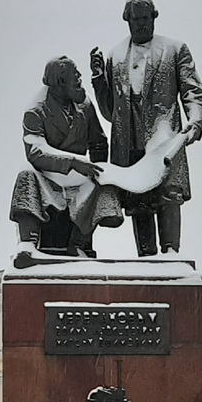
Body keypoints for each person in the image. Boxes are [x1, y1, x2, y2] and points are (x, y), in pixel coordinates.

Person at [91, 0, 202, 256]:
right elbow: (111, 113)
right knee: (137, 200)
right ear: (127, 20)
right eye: (137, 19)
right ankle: (147, 258)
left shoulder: (175, 49)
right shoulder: (115, 56)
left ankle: (171, 252)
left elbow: (192, 90)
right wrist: (98, 79)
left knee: (168, 195)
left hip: (164, 137)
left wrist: (195, 120)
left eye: (147, 18)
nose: (142, 23)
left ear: (154, 17)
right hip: (129, 142)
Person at [10, 56, 122, 258]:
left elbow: (98, 143)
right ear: (60, 81)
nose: (80, 78)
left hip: (79, 177)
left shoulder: (84, 105)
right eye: (75, 75)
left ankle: (79, 244)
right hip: (48, 175)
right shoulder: (36, 110)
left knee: (102, 179)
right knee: (25, 176)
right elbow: (35, 151)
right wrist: (72, 162)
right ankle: (28, 244)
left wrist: (99, 169)